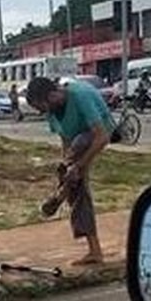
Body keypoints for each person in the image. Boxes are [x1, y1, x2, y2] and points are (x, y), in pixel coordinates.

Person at [26, 75, 113, 265]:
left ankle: (60, 195)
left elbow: (102, 136)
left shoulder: (80, 95)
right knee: (72, 179)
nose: (41, 112)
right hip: (77, 142)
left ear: (51, 95)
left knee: (79, 151)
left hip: (99, 132)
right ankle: (64, 193)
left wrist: (79, 166)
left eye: (41, 107)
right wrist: (68, 167)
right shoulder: (52, 112)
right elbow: (65, 142)